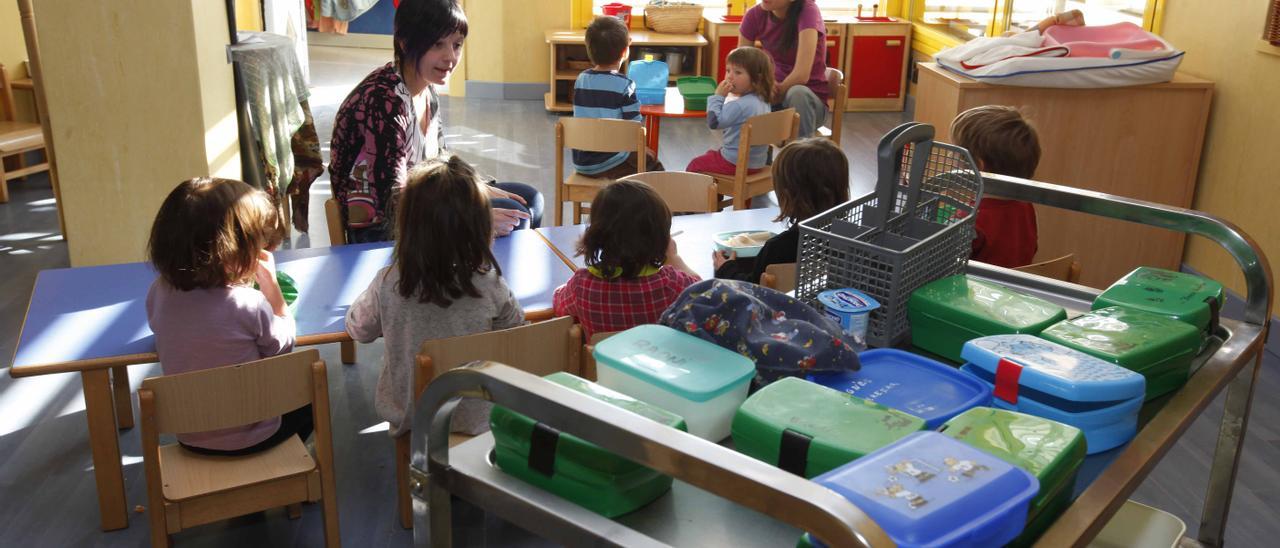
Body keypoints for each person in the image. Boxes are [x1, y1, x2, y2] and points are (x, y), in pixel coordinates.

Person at [328, 0, 543, 243]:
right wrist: (473, 218)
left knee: (530, 199)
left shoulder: (425, 89)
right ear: (405, 42)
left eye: (457, 45)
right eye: (437, 44)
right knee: (517, 216)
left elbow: (439, 160)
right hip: (382, 229)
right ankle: (477, 279)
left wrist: (473, 186)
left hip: (424, 202)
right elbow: (393, 201)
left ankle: (486, 276)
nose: (450, 57)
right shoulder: (383, 100)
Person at [345, 156, 525, 437]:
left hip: (413, 417)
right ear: (480, 226)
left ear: (409, 227)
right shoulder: (490, 284)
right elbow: (516, 335)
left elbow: (359, 330)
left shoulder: (389, 281)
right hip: (480, 419)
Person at [145, 177, 309, 455]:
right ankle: (295, 479)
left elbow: (160, 329)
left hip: (192, 438)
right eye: (257, 241)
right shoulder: (249, 304)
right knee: (308, 395)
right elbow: (282, 345)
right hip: (257, 436)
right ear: (233, 251)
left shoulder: (159, 293)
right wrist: (274, 294)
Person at [553, 180, 700, 338]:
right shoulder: (671, 283)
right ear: (660, 237)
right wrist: (674, 258)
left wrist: (564, 287)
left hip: (602, 362)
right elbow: (704, 293)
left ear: (596, 233)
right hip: (656, 361)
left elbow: (558, 304)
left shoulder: (582, 285)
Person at [713, 137, 849, 281]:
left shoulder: (778, 248)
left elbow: (752, 289)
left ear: (787, 195)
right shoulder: (849, 237)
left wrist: (726, 268)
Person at [572, 15, 663, 178]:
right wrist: (643, 149)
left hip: (583, 161)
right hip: (611, 161)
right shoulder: (625, 85)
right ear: (624, 51)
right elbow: (635, 130)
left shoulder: (581, 80)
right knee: (655, 168)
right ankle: (652, 203)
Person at [950, 105, 1041, 268]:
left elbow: (941, 260)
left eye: (956, 151)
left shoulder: (971, 218)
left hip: (974, 291)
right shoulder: (1025, 206)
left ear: (978, 166)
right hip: (1013, 289)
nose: (950, 156)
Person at [739, 0, 830, 138]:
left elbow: (801, 75)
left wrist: (774, 91)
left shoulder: (808, 11)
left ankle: (801, 156)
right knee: (747, 98)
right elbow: (742, 67)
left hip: (808, 104)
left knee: (797, 92)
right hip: (774, 97)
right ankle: (758, 158)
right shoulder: (754, 15)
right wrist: (762, 84)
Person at [686, 46, 775, 176]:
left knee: (695, 165)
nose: (730, 77)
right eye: (728, 71)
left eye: (738, 73)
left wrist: (718, 96)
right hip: (757, 163)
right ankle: (713, 195)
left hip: (735, 163)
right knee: (711, 155)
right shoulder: (763, 101)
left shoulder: (740, 106)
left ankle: (694, 196)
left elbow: (714, 122)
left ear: (757, 78)